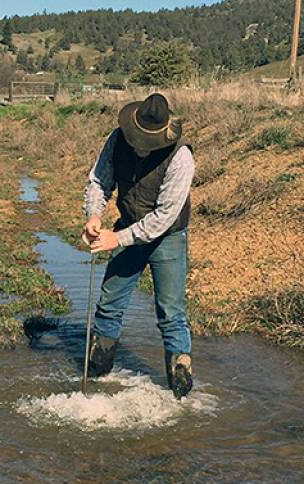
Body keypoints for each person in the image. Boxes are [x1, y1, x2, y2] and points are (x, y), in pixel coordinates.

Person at [82, 93, 195, 399]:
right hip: (127, 225)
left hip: (168, 236)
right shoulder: (117, 140)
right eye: (136, 139)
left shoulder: (181, 157)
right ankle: (97, 377)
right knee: (109, 305)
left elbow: (163, 217)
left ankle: (180, 392)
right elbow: (99, 181)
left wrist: (116, 238)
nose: (139, 146)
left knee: (171, 313)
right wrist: (94, 215)